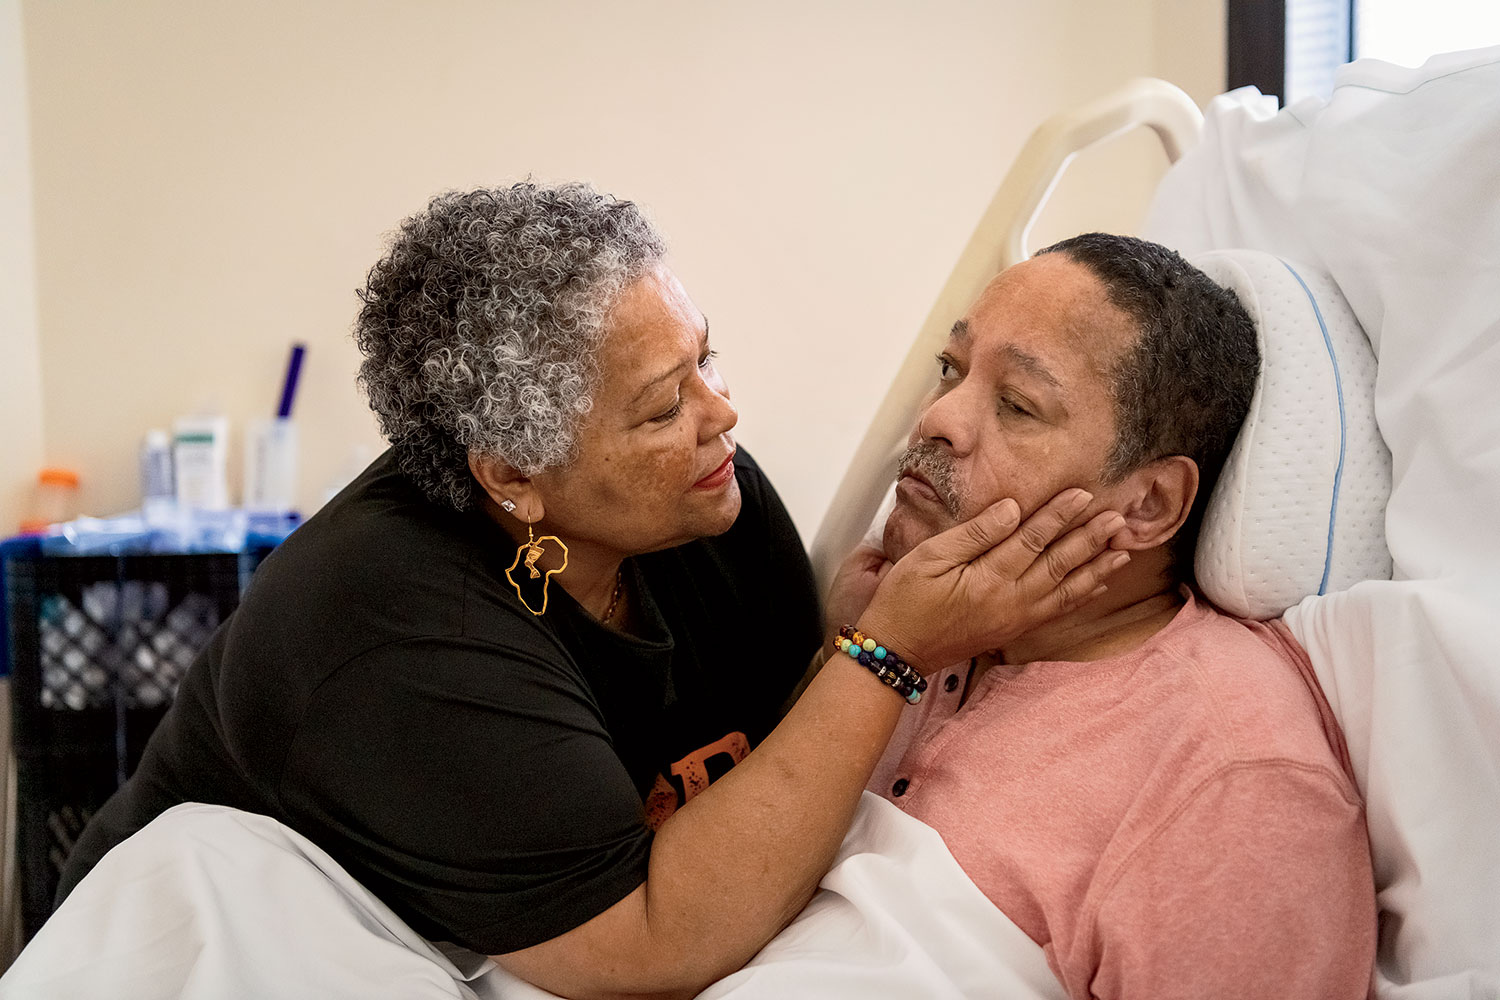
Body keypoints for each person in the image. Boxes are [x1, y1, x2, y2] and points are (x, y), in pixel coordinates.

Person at [53, 184, 1128, 1000]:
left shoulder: (706, 504)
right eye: (664, 407)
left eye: (708, 359)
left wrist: (839, 641)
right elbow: (650, 939)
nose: (723, 414)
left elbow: (759, 752)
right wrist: (888, 654)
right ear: (514, 477)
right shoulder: (393, 632)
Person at [841, 233, 1377, 999]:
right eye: (950, 370)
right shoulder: (907, 621)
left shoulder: (1231, 780)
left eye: (1017, 404)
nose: (938, 420)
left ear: (1149, 503)